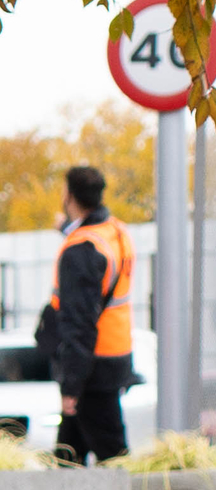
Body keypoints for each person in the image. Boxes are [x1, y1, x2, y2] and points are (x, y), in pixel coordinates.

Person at [44, 164, 137, 463]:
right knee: (67, 455)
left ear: (68, 195)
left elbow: (79, 324)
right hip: (114, 357)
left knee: (113, 457)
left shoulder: (80, 251)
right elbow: (95, 259)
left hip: (90, 370)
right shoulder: (115, 231)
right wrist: (66, 228)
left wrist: (72, 386)